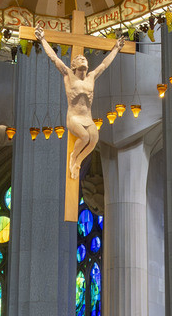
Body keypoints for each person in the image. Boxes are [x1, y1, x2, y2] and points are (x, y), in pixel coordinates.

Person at [38, 34, 120, 203]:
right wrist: (43, 40)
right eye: (79, 58)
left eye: (84, 58)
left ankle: (78, 161)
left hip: (87, 117)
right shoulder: (68, 75)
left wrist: (116, 48)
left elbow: (104, 64)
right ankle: (73, 156)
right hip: (74, 117)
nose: (82, 59)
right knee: (84, 137)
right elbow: (54, 58)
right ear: (73, 65)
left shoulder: (91, 77)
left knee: (94, 139)